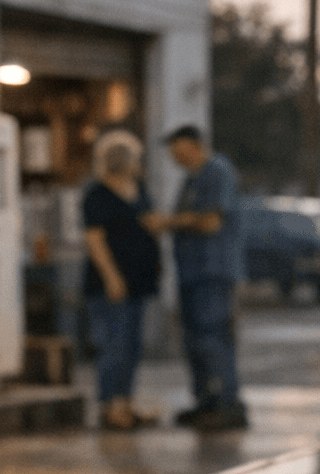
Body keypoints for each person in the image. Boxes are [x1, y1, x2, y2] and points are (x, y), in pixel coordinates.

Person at [156, 124, 248, 431]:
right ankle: (206, 402)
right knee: (195, 341)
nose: (174, 156)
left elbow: (211, 222)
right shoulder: (191, 178)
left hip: (213, 273)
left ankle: (227, 403)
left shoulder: (217, 172)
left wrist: (167, 223)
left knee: (213, 338)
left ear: (193, 146)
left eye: (177, 149)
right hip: (192, 274)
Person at [81, 130, 162, 430]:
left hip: (139, 280)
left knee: (132, 345)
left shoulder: (138, 189)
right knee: (112, 344)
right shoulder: (96, 195)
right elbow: (95, 240)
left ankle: (125, 402)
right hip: (110, 284)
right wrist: (112, 277)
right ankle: (109, 406)